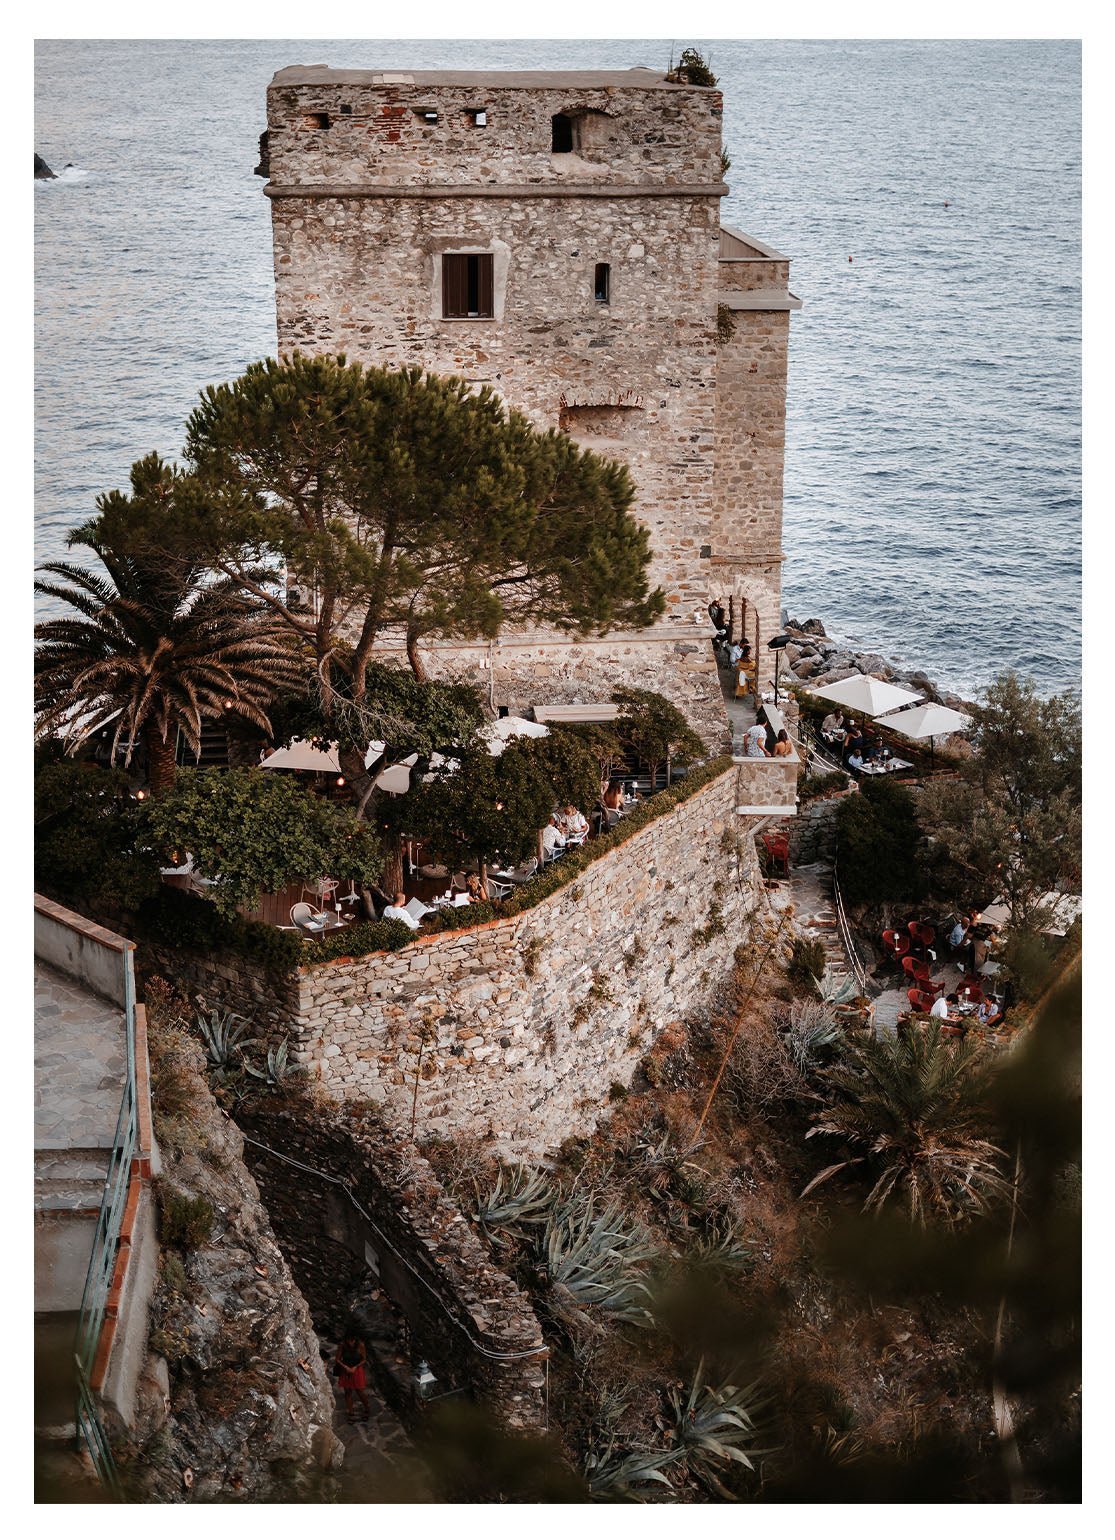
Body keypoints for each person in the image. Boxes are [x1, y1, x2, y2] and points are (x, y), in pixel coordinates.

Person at [334, 1329, 370, 1422]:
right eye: (349, 1340)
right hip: (346, 1371)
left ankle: (367, 1409)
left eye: (352, 1340)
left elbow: (364, 1359)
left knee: (360, 1391)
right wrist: (345, 1367)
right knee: (348, 1392)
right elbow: (337, 1359)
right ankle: (351, 1412)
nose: (350, 1342)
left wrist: (355, 1367)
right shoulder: (342, 1345)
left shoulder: (361, 1345)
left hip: (357, 1371)